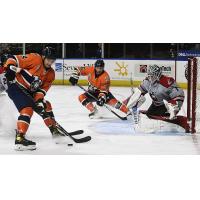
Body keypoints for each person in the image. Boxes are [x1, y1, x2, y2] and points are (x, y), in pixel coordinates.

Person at [3, 47, 64, 151]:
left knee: (46, 105)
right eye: (49, 59)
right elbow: (13, 58)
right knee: (27, 109)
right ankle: (20, 138)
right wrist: (10, 67)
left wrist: (39, 101)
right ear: (43, 56)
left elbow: (41, 91)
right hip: (15, 86)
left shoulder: (51, 74)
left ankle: (54, 130)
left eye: (53, 60)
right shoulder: (35, 58)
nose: (51, 62)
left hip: (30, 92)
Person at [125, 64, 189, 131]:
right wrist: (132, 100)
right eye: (149, 76)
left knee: (166, 119)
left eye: (153, 76)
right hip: (156, 104)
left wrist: (174, 106)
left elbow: (179, 95)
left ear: (158, 75)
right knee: (149, 117)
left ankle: (184, 121)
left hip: (166, 105)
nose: (150, 78)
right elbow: (139, 92)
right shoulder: (147, 82)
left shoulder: (167, 82)